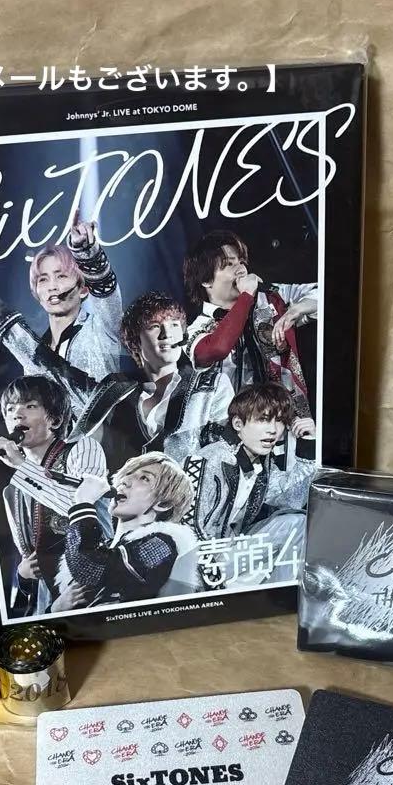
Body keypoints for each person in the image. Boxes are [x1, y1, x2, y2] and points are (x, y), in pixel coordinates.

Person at [0, 281, 233, 472]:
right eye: (154, 327)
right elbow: (50, 366)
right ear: (135, 339)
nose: (167, 334)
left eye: (174, 325)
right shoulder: (115, 392)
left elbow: (227, 454)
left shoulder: (209, 385)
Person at [0, 376, 108, 615]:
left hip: (94, 587)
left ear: (55, 419)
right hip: (50, 601)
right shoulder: (13, 490)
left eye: (30, 406)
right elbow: (28, 554)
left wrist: (21, 466)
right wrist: (22, 574)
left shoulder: (82, 449)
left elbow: (80, 505)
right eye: (10, 409)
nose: (17, 415)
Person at [182, 229, 318, 430]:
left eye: (241, 262)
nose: (241, 270)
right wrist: (246, 296)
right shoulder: (198, 327)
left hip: (289, 425)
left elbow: (324, 293)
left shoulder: (272, 299)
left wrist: (295, 310)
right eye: (229, 264)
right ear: (206, 280)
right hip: (233, 433)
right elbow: (217, 348)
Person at [186, 382, 315, 588]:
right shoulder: (209, 459)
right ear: (238, 424)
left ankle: (281, 595)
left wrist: (308, 445)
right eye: (263, 419)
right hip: (200, 563)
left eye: (280, 421)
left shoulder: (260, 462)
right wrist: (211, 579)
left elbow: (292, 498)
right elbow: (190, 529)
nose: (273, 430)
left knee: (296, 522)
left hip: (233, 549)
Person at [60, 452, 200, 607]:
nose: (125, 481)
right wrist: (54, 609)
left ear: (163, 504)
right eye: (127, 474)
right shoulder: (103, 548)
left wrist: (84, 503)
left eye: (144, 478)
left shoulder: (163, 545)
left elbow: (90, 568)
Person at [25, 210, 129, 379]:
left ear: (83, 289)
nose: (52, 286)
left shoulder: (103, 327)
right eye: (43, 279)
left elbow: (105, 288)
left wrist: (85, 252)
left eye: (61, 276)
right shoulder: (35, 353)